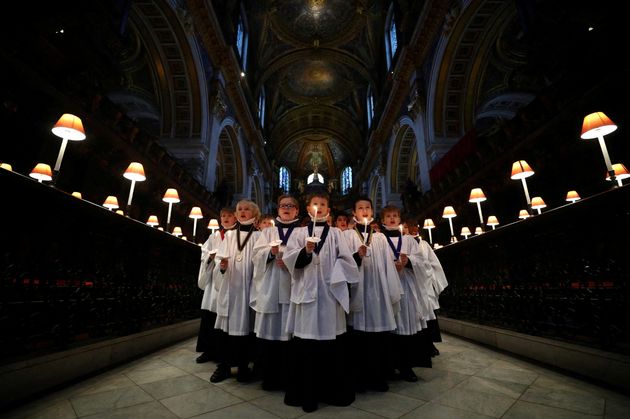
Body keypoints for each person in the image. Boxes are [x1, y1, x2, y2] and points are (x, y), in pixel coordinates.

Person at [282, 192, 359, 412]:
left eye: (323, 204)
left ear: (329, 210)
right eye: (315, 204)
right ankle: (306, 395)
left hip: (329, 294)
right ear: (308, 209)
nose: (319, 207)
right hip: (306, 293)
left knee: (330, 343)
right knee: (306, 345)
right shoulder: (298, 233)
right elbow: (289, 259)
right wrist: (305, 252)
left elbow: (347, 260)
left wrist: (335, 275)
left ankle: (333, 392)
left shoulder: (336, 233)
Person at [343, 197, 402, 392]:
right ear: (354, 213)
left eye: (368, 207)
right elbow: (342, 265)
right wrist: (356, 257)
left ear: (372, 211)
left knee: (379, 337)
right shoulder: (347, 236)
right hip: (358, 290)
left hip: (378, 291)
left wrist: (391, 291)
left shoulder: (380, 238)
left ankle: (378, 376)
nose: (365, 210)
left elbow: (387, 267)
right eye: (360, 208)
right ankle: (359, 377)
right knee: (358, 338)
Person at [250, 195, 301, 391]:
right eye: (283, 206)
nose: (286, 208)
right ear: (278, 209)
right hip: (270, 287)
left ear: (297, 211)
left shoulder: (302, 231)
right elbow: (256, 256)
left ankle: (289, 377)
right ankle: (269, 376)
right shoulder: (268, 231)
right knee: (269, 332)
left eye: (291, 205)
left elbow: (308, 255)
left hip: (291, 287)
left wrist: (289, 260)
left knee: (290, 334)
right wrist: (270, 254)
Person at [210, 200, 261, 383]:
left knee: (246, 328)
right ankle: (223, 366)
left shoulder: (258, 236)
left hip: (248, 288)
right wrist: (222, 266)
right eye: (239, 209)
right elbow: (218, 261)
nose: (242, 212)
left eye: (247, 209)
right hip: (231, 287)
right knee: (226, 328)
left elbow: (262, 263)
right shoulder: (230, 235)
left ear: (255, 214)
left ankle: (242, 367)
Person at [381, 206, 433, 382]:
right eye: (388, 216)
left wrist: (408, 261)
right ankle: (390, 366)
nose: (392, 219)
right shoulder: (379, 240)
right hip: (388, 288)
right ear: (383, 220)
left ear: (400, 219)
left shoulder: (408, 240)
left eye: (395, 216)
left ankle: (406, 366)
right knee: (391, 328)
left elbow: (422, 262)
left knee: (406, 326)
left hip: (407, 287)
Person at [195, 207, 236, 364]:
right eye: (223, 216)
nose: (225, 218)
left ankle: (222, 353)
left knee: (223, 320)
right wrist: (210, 258)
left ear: (235, 218)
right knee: (209, 317)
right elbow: (204, 253)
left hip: (229, 280)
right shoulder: (214, 236)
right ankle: (207, 350)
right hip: (213, 283)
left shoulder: (238, 236)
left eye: (229, 216)